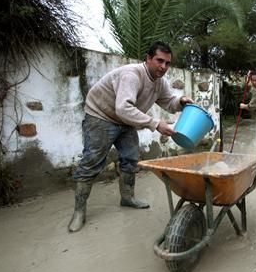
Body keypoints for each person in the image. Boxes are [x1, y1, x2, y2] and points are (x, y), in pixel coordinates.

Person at [68, 41, 193, 233]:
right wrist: (155, 124)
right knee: (91, 162)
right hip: (101, 116)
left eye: (167, 63)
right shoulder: (132, 75)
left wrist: (181, 101)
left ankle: (127, 198)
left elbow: (169, 102)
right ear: (148, 58)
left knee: (131, 158)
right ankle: (79, 211)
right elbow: (123, 107)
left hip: (125, 122)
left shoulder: (160, 82)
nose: (163, 67)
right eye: (159, 61)